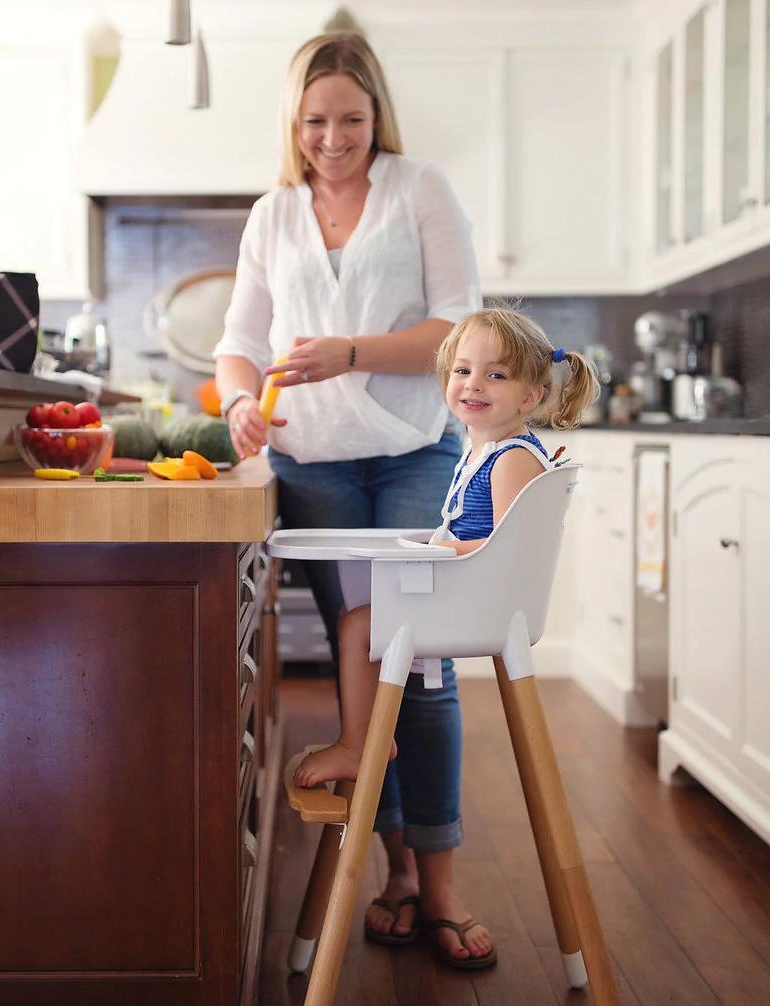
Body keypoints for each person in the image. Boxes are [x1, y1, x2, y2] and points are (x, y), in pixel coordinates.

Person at [212, 32, 484, 965]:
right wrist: (243, 401)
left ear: (378, 117)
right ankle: (397, 876)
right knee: (361, 655)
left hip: (411, 448)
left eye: (352, 120)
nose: (334, 139)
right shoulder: (272, 214)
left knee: (423, 661)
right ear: (294, 122)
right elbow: (236, 343)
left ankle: (442, 892)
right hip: (313, 462)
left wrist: (352, 350)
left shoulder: (418, 189)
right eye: (316, 121)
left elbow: (458, 331)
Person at [292, 305, 600, 969]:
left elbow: (501, 546)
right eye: (461, 369)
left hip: (474, 600)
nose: (471, 383)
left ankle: (357, 743)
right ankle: (364, 748)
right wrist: (432, 544)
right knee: (360, 620)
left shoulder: (512, 455)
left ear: (532, 394)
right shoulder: (480, 448)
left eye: (494, 373)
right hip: (462, 591)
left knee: (356, 622)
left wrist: (444, 552)